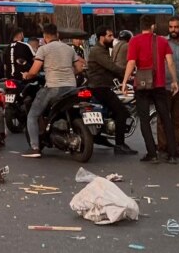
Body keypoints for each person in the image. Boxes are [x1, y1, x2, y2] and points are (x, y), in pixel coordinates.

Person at [121, 15, 179, 164]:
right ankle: (172, 153)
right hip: (159, 85)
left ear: (141, 26)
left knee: (145, 120)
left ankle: (152, 153)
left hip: (141, 85)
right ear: (153, 26)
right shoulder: (162, 41)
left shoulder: (134, 41)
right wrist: (174, 80)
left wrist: (124, 81)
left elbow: (131, 62)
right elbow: (170, 62)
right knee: (166, 118)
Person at [21, 24, 78, 158]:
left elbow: (34, 71)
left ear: (45, 37)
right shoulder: (69, 49)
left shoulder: (43, 49)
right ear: (57, 35)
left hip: (53, 88)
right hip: (71, 87)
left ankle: (34, 147)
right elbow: (79, 68)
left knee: (32, 115)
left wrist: (26, 75)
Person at [86, 27, 137, 155]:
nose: (112, 38)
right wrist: (128, 73)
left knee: (115, 110)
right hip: (99, 87)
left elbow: (109, 70)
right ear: (101, 37)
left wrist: (123, 78)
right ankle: (119, 145)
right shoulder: (98, 51)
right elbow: (111, 67)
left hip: (103, 85)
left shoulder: (103, 50)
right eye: (109, 36)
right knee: (121, 112)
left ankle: (106, 133)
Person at [159, 17, 179, 157]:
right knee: (163, 119)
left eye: (176, 27)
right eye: (171, 27)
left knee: (178, 119)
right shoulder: (163, 42)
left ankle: (175, 147)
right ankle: (163, 148)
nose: (173, 30)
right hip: (164, 86)